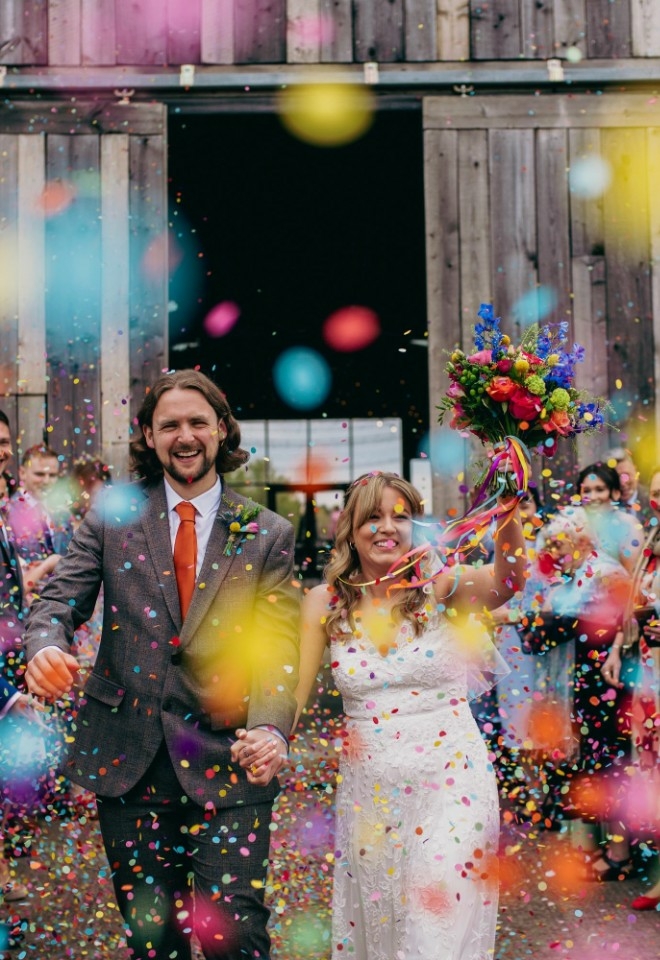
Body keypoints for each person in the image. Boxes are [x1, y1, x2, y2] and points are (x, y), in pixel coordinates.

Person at [23, 369, 300, 960]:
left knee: (235, 935)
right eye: (168, 423)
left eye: (198, 422)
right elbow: (57, 601)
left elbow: (279, 647)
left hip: (231, 760)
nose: (185, 435)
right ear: (148, 435)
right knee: (155, 943)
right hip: (130, 761)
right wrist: (46, 644)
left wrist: (274, 728)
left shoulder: (268, 532)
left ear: (221, 430)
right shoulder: (110, 518)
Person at [290, 470, 525, 959]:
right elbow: (293, 696)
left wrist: (508, 512)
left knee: (431, 925)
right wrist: (269, 738)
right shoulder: (323, 603)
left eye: (400, 517)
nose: (386, 528)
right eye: (371, 517)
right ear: (350, 531)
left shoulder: (442, 588)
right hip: (371, 795)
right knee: (384, 927)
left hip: (451, 781)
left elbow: (508, 580)